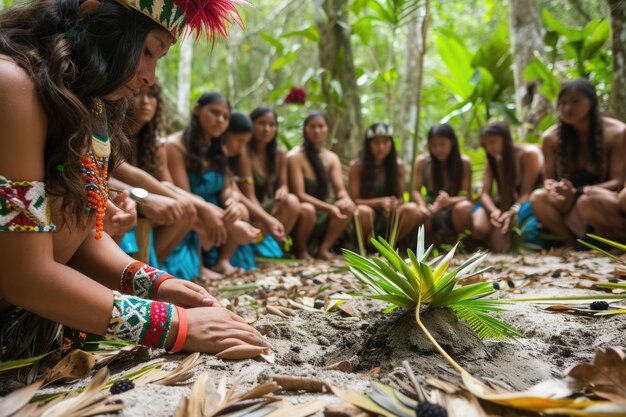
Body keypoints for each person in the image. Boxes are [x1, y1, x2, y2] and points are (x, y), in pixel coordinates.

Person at [0, 0, 269, 364]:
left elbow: (78, 237)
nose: (150, 77)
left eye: (157, 59)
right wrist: (175, 324)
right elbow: (24, 276)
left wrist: (159, 285)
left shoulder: (85, 105)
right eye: (147, 51)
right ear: (92, 14)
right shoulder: (12, 85)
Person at [165, 93, 261, 276]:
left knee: (240, 209)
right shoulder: (174, 146)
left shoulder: (220, 150)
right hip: (192, 209)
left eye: (225, 117)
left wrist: (230, 202)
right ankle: (199, 266)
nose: (220, 120)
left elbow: (226, 188)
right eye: (215, 113)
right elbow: (182, 193)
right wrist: (215, 212)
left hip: (216, 211)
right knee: (197, 208)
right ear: (197, 110)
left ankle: (221, 262)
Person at [530, 78, 625, 248]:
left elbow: (618, 181)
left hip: (603, 198)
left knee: (588, 200)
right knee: (538, 198)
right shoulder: (550, 138)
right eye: (563, 103)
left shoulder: (617, 132)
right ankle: (572, 245)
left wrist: (579, 191)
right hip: (569, 202)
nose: (567, 108)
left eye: (575, 102)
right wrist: (555, 189)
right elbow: (548, 180)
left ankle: (619, 239)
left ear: (592, 102)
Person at [243, 107, 316, 258]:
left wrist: (282, 189)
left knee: (294, 202)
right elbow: (248, 194)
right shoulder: (244, 152)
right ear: (251, 124)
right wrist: (265, 217)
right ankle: (258, 250)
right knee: (292, 201)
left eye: (271, 125)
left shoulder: (279, 154)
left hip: (270, 205)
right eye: (261, 123)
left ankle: (272, 250)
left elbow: (284, 184)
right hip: (250, 207)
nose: (267, 129)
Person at [287, 112, 356, 260]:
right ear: (305, 129)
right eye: (312, 126)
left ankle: (324, 248)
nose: (317, 131)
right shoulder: (294, 157)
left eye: (321, 126)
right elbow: (299, 194)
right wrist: (329, 208)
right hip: (302, 212)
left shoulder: (331, 158)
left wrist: (345, 200)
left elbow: (340, 190)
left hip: (323, 213)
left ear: (327, 129)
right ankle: (301, 250)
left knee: (347, 207)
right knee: (308, 209)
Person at [472, 121, 543, 252]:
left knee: (507, 241)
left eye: (492, 142)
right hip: (501, 207)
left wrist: (512, 211)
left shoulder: (528, 154)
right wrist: (494, 211)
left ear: (505, 138)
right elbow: (485, 193)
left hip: (525, 204)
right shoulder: (492, 158)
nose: (488, 147)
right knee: (484, 232)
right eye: (485, 144)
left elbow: (526, 193)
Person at [348, 123, 424, 245]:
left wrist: (393, 204)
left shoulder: (398, 166)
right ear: (368, 145)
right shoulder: (356, 166)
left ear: (391, 144)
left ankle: (388, 247)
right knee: (363, 211)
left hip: (390, 216)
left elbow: (400, 199)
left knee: (412, 209)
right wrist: (380, 202)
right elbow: (354, 201)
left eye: (385, 142)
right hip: (366, 215)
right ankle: (365, 246)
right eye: (376, 143)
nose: (381, 147)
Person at [412, 123, 472, 244]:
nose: (438, 149)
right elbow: (415, 190)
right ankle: (427, 248)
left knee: (464, 207)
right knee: (419, 213)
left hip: (453, 209)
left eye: (442, 144)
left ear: (452, 142)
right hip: (430, 208)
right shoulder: (422, 162)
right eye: (433, 145)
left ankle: (462, 244)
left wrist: (448, 201)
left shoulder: (464, 162)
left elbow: (467, 196)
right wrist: (422, 206)